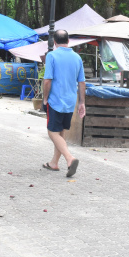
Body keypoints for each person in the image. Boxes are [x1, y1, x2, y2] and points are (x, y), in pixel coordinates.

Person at [42, 29, 86, 178]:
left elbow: (47, 80)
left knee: (52, 132)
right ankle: (54, 163)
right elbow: (81, 82)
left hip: (55, 101)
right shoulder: (77, 58)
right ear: (68, 41)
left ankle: (69, 158)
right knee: (61, 132)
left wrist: (45, 98)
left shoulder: (52, 56)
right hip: (70, 101)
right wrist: (82, 103)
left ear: (54, 42)